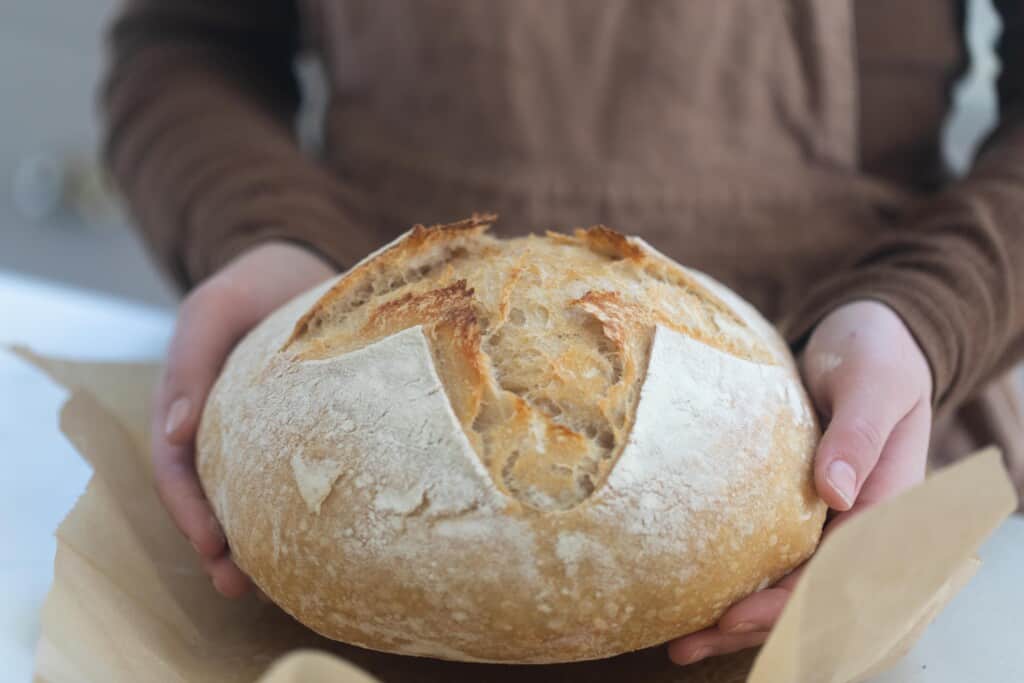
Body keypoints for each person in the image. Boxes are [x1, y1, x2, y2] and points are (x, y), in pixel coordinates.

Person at [101, 0, 1024, 665]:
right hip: (352, 398)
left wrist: (932, 306)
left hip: (874, 435)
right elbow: (187, 45)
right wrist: (264, 230)